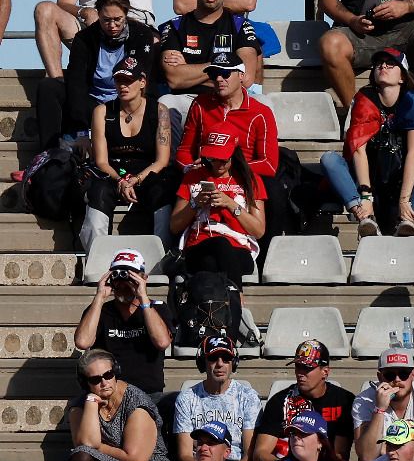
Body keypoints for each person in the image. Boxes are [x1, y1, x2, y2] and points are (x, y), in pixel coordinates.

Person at [323, 46, 414, 238]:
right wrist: (366, 196)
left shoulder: (413, 100)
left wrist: (404, 200)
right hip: (370, 178)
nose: (383, 66)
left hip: (404, 180)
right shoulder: (365, 99)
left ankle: (408, 219)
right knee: (329, 159)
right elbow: (358, 150)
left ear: (402, 77)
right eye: (379, 63)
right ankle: (365, 216)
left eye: (391, 64)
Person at [81, 53, 177, 254]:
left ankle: (161, 255)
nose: (122, 86)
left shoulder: (159, 111)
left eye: (128, 80)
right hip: (114, 172)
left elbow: (161, 161)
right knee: (97, 191)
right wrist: (122, 181)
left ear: (142, 82)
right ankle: (96, 256)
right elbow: (101, 161)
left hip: (148, 172)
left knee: (162, 191)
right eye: (118, 81)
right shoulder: (102, 112)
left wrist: (136, 180)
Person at [50, 0, 162, 152]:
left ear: (126, 13)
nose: (112, 25)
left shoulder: (141, 35)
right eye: (106, 19)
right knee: (49, 88)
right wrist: (81, 131)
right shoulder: (85, 39)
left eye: (118, 19)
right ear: (98, 14)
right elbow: (77, 83)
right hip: (92, 102)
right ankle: (47, 155)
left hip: (126, 105)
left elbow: (144, 80)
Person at [172, 49, 279, 206]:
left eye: (225, 73)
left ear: (241, 75)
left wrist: (226, 169)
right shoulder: (200, 105)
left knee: (275, 193)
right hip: (205, 176)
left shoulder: (261, 112)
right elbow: (184, 151)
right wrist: (190, 168)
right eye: (214, 74)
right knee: (166, 188)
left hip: (245, 177)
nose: (219, 79)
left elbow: (269, 164)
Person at [170, 130, 266, 287]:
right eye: (212, 158)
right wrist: (195, 204)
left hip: (237, 248)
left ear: (234, 154)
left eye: (223, 159)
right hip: (199, 245)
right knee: (217, 246)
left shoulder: (250, 180)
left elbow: (259, 230)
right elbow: (174, 226)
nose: (217, 164)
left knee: (213, 260)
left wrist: (231, 204)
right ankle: (236, 295)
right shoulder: (194, 177)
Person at [72, 248, 171, 398]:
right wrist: (99, 297)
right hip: (109, 395)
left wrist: (143, 297)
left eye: (131, 276)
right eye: (118, 276)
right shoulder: (99, 311)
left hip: (147, 394)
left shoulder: (157, 308)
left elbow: (162, 342)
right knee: (77, 408)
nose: (124, 283)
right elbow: (82, 342)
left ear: (143, 278)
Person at [156, 0, 264, 92]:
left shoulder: (240, 26)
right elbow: (175, 79)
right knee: (166, 103)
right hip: (188, 99)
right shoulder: (174, 27)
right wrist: (226, 70)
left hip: (228, 101)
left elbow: (245, 79)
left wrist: (189, 71)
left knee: (264, 102)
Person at [250, 340, 356, 461]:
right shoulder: (280, 401)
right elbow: (260, 454)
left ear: (325, 372)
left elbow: (340, 454)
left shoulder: (343, 401)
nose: (300, 373)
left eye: (307, 368)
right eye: (298, 366)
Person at [172, 333, 260, 461]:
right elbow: (185, 456)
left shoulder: (248, 397)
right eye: (213, 358)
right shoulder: (186, 398)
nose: (220, 364)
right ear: (202, 362)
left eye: (226, 359)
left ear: (234, 363)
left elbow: (249, 455)